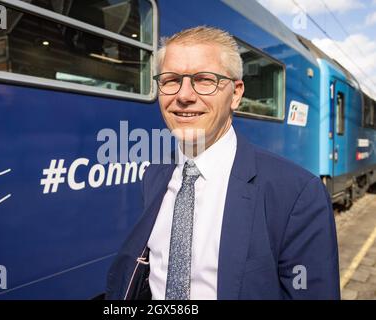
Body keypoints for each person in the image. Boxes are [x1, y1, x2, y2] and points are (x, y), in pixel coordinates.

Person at [105, 26, 340, 300]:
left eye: (204, 79)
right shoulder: (155, 175)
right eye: (170, 80)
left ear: (236, 93)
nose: (183, 96)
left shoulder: (297, 194)